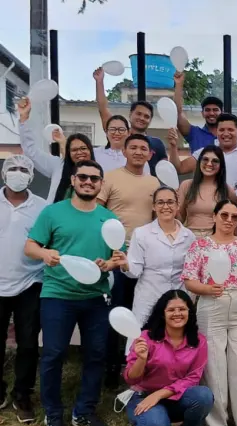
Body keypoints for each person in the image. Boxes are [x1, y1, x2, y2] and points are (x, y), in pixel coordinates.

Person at [24, 160, 126, 426]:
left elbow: (118, 257)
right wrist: (45, 254)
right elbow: (30, 246)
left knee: (96, 355)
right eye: (83, 177)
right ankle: (53, 413)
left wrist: (109, 264)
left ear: (101, 183)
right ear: (73, 180)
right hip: (58, 295)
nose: (88, 182)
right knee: (54, 354)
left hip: (96, 297)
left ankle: (84, 410)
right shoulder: (53, 212)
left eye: (94, 178)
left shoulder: (109, 219)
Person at [181, 200, 237, 426]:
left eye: (234, 216)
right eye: (224, 215)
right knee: (214, 367)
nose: (229, 220)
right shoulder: (200, 245)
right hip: (210, 303)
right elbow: (188, 279)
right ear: (214, 216)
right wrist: (206, 288)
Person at [97, 134, 161, 388]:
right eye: (133, 147)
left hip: (146, 256)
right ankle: (112, 368)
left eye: (143, 148)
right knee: (117, 312)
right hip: (117, 255)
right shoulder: (110, 177)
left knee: (143, 314)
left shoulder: (154, 182)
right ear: (124, 151)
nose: (138, 152)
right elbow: (98, 213)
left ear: (150, 154)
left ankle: (140, 365)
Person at [124, 290, 213, 426]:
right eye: (171, 310)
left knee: (204, 396)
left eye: (182, 309)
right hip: (144, 396)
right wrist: (141, 360)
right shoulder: (146, 338)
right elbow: (130, 379)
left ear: (189, 312)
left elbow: (193, 378)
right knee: (156, 425)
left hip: (175, 396)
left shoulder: (198, 341)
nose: (177, 313)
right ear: (162, 313)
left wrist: (159, 394)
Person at [0, 155, 46, 423]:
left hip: (30, 282)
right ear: (4, 173)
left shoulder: (41, 207)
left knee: (28, 343)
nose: (18, 173)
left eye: (24, 169)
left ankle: (22, 394)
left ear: (31, 176)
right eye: (13, 168)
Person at [123, 187, 196, 326]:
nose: (165, 207)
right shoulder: (141, 234)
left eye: (170, 202)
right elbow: (135, 271)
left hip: (177, 301)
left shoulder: (189, 236)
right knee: (143, 336)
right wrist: (125, 265)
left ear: (178, 205)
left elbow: (190, 272)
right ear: (154, 206)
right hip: (149, 298)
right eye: (160, 202)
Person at [17, 96, 95, 203]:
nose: (79, 152)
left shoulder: (98, 172)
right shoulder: (58, 165)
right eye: (74, 150)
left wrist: (62, 142)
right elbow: (31, 150)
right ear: (68, 152)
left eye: (83, 148)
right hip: (54, 212)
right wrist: (24, 118)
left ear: (90, 150)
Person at [94, 68, 167, 173]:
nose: (142, 118)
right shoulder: (120, 135)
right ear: (130, 114)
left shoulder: (157, 143)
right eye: (138, 114)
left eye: (146, 116)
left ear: (150, 120)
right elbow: (103, 109)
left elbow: (165, 169)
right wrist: (99, 82)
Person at [168, 114, 237, 192]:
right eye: (221, 130)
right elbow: (179, 168)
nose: (226, 134)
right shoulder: (204, 152)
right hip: (208, 204)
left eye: (230, 130)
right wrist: (173, 146)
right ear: (216, 132)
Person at [175, 146, 237, 237]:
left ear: (221, 165)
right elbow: (179, 219)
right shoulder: (186, 185)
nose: (209, 164)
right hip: (190, 237)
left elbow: (234, 221)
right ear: (199, 162)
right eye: (205, 159)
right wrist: (172, 206)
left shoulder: (227, 190)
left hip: (216, 238)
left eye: (215, 161)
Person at [173, 72, 221, 152]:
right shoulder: (194, 133)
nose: (211, 113)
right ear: (202, 113)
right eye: (207, 110)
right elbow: (177, 113)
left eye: (215, 110)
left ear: (222, 113)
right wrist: (179, 84)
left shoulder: (229, 136)